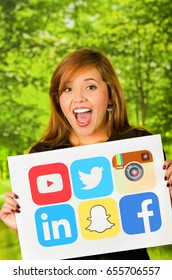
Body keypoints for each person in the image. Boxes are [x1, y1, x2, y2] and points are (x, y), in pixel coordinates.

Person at [0, 48, 172, 260]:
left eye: (90, 86)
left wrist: (169, 198)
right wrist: (24, 227)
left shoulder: (137, 144)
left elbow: (156, 220)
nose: (78, 98)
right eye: (68, 89)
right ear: (58, 100)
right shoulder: (40, 157)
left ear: (110, 95)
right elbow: (50, 244)